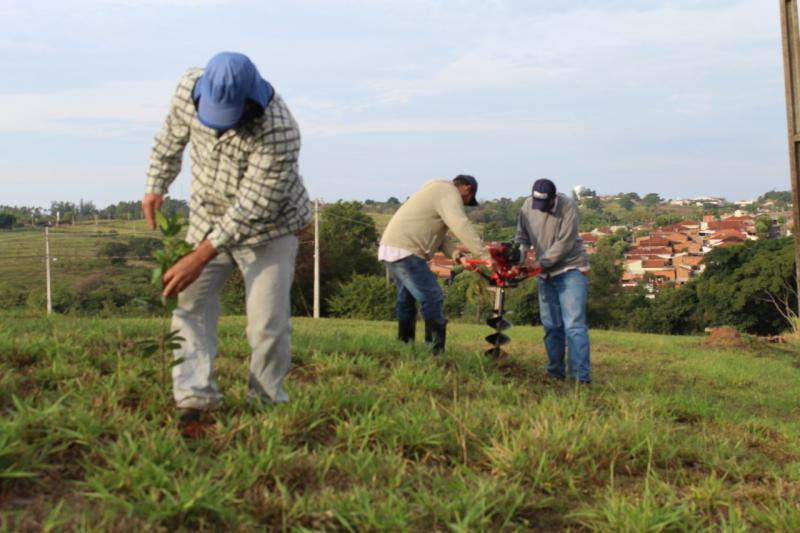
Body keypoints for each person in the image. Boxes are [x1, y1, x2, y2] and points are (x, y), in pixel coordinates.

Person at [142, 52, 312, 422]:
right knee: (188, 303)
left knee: (267, 321)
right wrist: (156, 184)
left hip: (270, 227)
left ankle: (265, 404)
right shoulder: (189, 86)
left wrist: (199, 254)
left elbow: (254, 206)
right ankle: (194, 397)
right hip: (206, 215)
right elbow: (170, 138)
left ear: (251, 102)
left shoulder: (279, 130)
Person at [379, 175, 490, 354]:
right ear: (467, 189)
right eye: (468, 201)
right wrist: (485, 256)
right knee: (432, 297)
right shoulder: (448, 192)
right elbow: (461, 226)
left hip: (392, 247)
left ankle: (404, 346)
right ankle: (435, 351)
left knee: (406, 299)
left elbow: (440, 238)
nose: (465, 205)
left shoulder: (435, 192)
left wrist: (458, 256)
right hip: (407, 250)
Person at [515, 178, 591, 383]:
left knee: (574, 325)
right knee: (551, 327)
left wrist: (540, 262)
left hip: (571, 269)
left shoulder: (568, 207)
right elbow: (521, 238)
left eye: (544, 205)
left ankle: (579, 379)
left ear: (553, 198)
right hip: (545, 274)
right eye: (536, 204)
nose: (540, 209)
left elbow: (565, 243)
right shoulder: (527, 206)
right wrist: (519, 259)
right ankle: (555, 373)